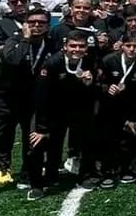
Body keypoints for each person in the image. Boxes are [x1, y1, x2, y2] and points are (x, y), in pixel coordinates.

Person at [0, 8, 51, 204]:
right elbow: (13, 60)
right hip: (2, 99)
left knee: (31, 139)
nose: (36, 25)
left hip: (29, 99)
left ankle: (27, 176)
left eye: (41, 22)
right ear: (25, 24)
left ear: (47, 26)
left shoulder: (49, 43)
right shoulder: (14, 40)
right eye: (32, 22)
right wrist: (25, 39)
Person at [31, 31, 97, 192]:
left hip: (79, 109)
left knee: (85, 143)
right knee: (50, 143)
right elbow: (42, 96)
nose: (77, 49)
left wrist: (89, 83)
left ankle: (85, 176)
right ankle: (46, 178)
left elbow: (94, 89)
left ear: (86, 48)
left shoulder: (90, 61)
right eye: (73, 46)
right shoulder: (52, 63)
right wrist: (41, 128)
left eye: (81, 46)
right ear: (65, 47)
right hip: (55, 110)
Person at [96, 31, 136, 187]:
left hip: (131, 107)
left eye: (135, 46)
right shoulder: (108, 60)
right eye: (128, 45)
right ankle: (107, 172)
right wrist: (106, 87)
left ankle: (125, 170)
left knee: (128, 139)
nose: (132, 49)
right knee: (109, 139)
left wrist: (133, 117)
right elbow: (96, 83)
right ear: (122, 46)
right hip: (109, 107)